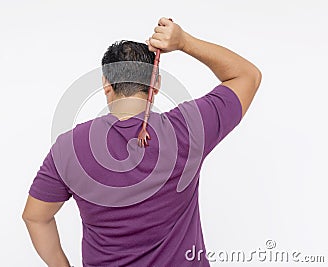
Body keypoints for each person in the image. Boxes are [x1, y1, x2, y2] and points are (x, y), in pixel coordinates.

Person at [22, 17, 262, 267]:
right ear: (155, 84)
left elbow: (35, 217)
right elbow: (247, 76)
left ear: (106, 83)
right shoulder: (187, 129)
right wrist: (184, 42)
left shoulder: (69, 147)